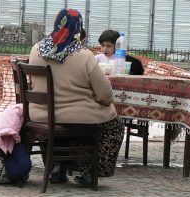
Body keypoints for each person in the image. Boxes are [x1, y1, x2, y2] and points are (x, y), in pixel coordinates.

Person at [28, 9, 124, 185]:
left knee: (63, 123)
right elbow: (105, 95)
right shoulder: (84, 55)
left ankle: (56, 167)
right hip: (79, 116)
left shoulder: (36, 49)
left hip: (41, 115)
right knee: (114, 125)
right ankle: (88, 172)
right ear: (79, 28)